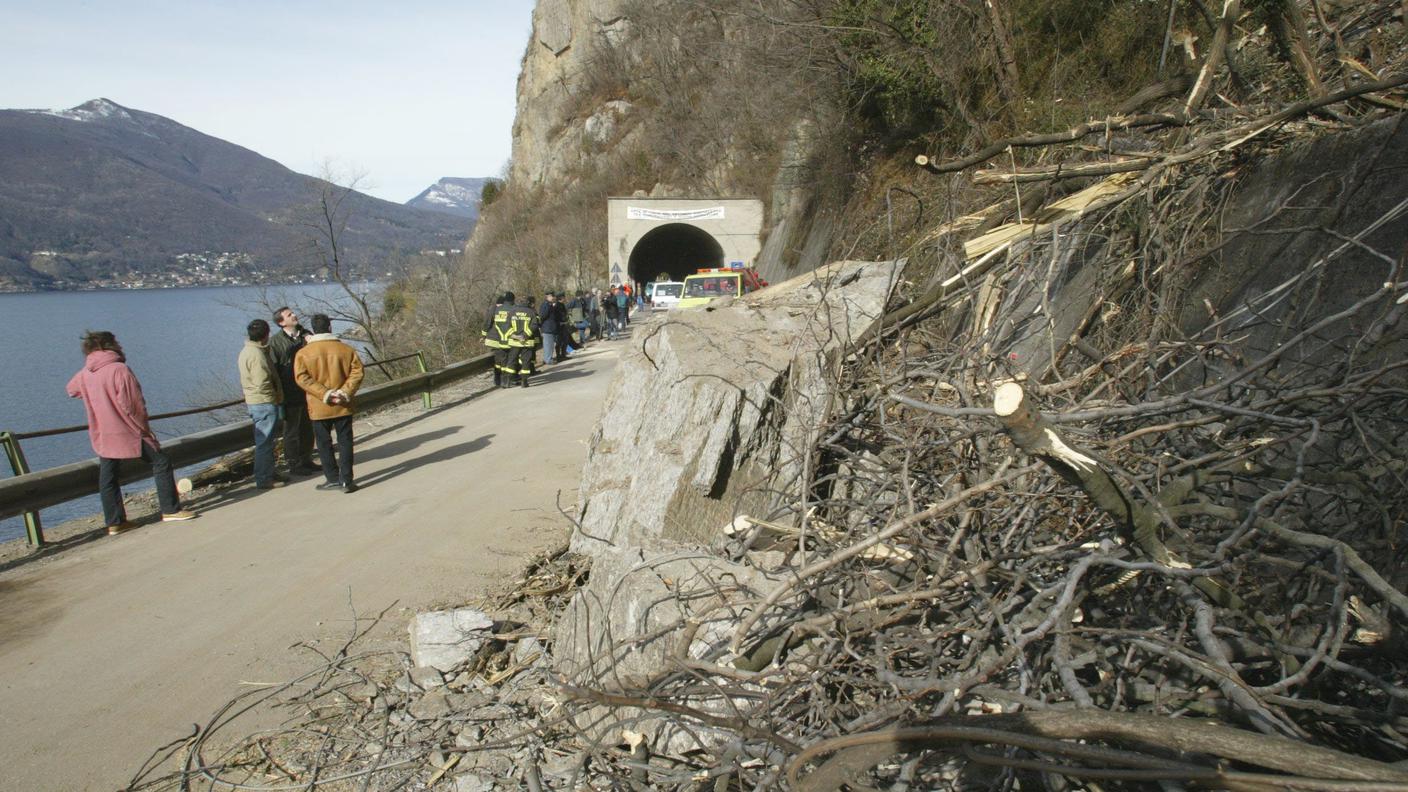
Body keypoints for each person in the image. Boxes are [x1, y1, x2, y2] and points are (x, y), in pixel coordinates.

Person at [65, 331, 196, 534]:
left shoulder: (86, 373)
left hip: (104, 434)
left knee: (108, 476)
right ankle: (170, 509)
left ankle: (115, 522)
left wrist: (95, 395)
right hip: (128, 431)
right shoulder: (119, 369)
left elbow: (71, 390)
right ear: (110, 345)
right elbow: (133, 405)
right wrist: (145, 430)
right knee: (161, 462)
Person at [294, 314, 365, 493]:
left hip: (319, 406)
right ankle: (347, 480)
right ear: (330, 328)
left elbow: (302, 378)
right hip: (343, 404)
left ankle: (332, 478)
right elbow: (357, 372)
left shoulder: (303, 353)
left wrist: (324, 393)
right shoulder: (346, 350)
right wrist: (344, 392)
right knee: (345, 442)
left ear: (313, 329)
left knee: (324, 443)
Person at [238, 319, 286, 490]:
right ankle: (264, 478)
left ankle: (269, 472)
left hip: (256, 401)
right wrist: (274, 398)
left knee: (267, 441)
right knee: (265, 442)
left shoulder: (248, 351)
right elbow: (262, 382)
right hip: (263, 402)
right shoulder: (257, 355)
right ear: (266, 335)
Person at [268, 307, 316, 476]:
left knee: (308, 428)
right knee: (291, 431)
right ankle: (294, 463)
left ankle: (307, 459)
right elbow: (274, 370)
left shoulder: (306, 335)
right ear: (281, 322)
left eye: (293, 313)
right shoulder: (275, 343)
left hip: (309, 390)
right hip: (290, 393)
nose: (294, 315)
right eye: (289, 315)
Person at [495, 295, 541, 387]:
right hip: (527, 342)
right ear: (527, 303)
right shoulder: (531, 312)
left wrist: (515, 336)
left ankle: (507, 381)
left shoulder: (512, 312)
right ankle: (524, 381)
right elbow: (535, 325)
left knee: (512, 361)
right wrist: (525, 335)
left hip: (514, 342)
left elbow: (506, 326)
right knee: (526, 361)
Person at [482, 291, 513, 387]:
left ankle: (498, 379)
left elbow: (487, 323)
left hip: (494, 338)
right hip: (500, 338)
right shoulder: (505, 309)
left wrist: (483, 335)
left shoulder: (494, 309)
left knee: (499, 360)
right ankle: (501, 379)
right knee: (502, 359)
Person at [538, 292, 561, 366]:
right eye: (552, 296)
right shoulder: (546, 304)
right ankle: (548, 359)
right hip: (547, 328)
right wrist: (550, 307)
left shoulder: (550, 304)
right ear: (548, 296)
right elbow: (543, 315)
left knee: (550, 345)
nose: (553, 298)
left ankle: (548, 358)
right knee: (548, 344)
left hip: (551, 328)